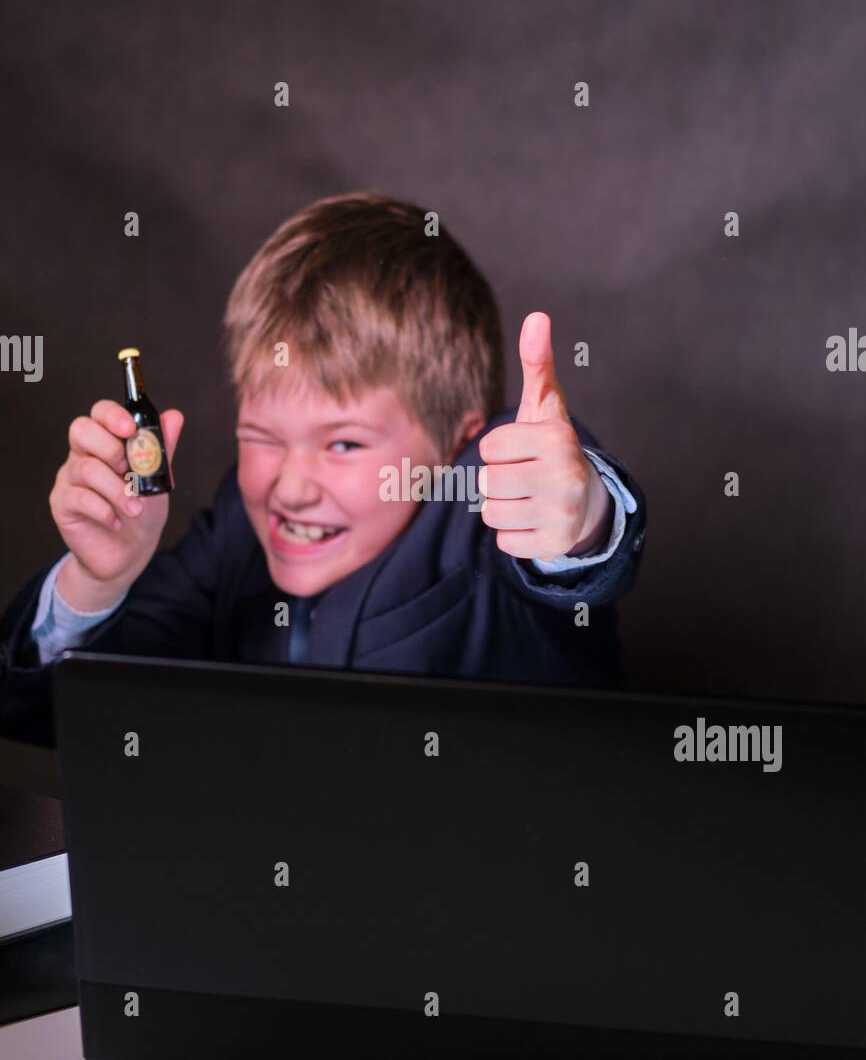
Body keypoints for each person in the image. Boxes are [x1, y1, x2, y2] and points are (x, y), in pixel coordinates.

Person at [0, 192, 646, 748]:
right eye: (262, 438)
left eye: (343, 446)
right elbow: (81, 716)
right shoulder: (236, 531)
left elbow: (559, 514)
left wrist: (583, 518)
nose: (291, 487)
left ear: (458, 442)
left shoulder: (480, 499)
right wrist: (96, 583)